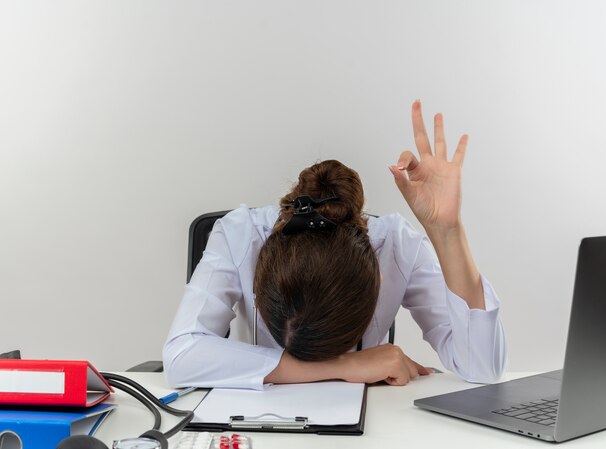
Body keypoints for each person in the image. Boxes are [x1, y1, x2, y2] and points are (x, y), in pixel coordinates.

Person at [163, 100, 506, 390]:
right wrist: (345, 365)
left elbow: (481, 368)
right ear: (258, 276)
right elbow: (181, 357)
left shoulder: (397, 246)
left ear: (378, 281)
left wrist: (447, 232)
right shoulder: (240, 234)